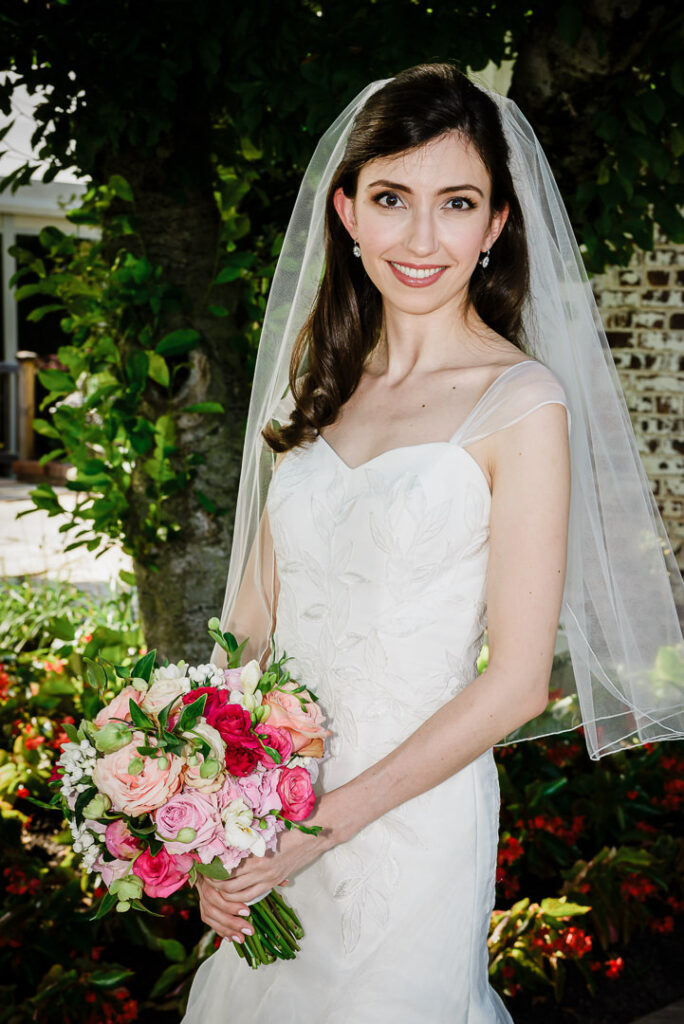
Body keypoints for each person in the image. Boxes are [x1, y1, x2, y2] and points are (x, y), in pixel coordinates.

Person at [181, 64, 684, 1023]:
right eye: (391, 198)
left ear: (495, 225)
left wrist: (314, 831)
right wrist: (213, 819)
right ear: (347, 213)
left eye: (455, 203)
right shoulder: (312, 381)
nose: (421, 238)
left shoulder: (522, 403)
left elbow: (518, 684)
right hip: (269, 819)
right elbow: (249, 621)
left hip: (410, 823)